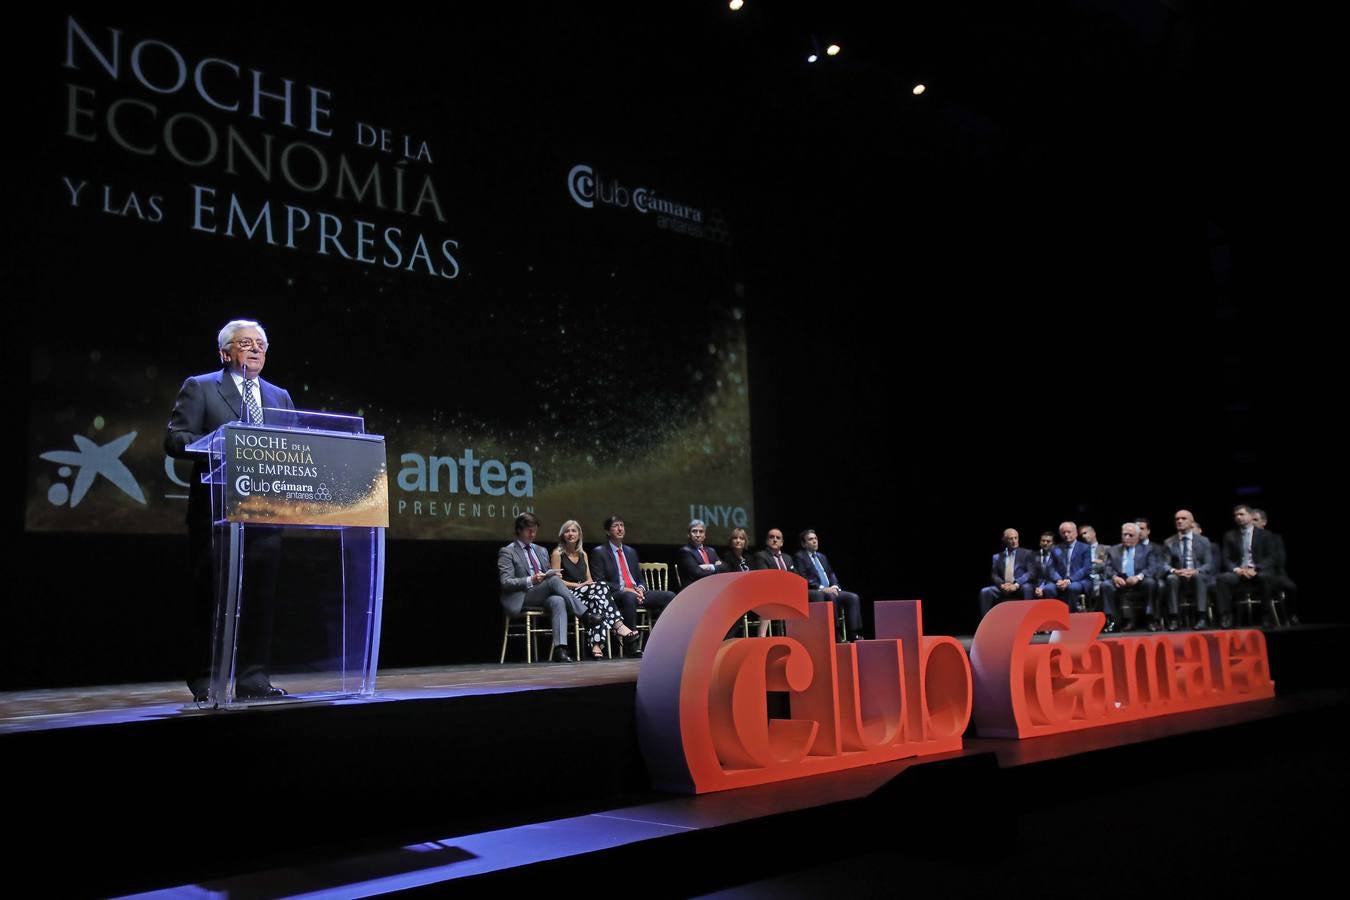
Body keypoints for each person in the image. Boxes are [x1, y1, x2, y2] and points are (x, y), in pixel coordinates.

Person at [165, 318, 295, 703]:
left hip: (266, 515)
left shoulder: (280, 395)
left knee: (260, 598)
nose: (255, 349)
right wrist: (222, 445)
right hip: (216, 513)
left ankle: (254, 680)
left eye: (260, 344)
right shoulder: (201, 387)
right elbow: (176, 439)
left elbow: (295, 447)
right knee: (214, 597)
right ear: (225, 353)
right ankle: (206, 680)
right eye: (245, 343)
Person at [498, 513, 588, 662]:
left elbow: (548, 573)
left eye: (535, 530)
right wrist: (530, 580)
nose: (533, 534)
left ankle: (561, 649)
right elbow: (506, 582)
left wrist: (548, 576)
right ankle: (584, 615)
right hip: (522, 596)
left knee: (558, 600)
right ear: (519, 530)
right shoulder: (508, 551)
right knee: (553, 581)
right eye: (529, 531)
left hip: (542, 594)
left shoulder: (541, 550)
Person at [551, 519, 641, 658]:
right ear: (562, 535)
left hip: (586, 593)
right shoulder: (557, 553)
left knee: (597, 603)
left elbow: (590, 579)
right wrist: (577, 585)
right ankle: (618, 626)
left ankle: (596, 645)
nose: (570, 534)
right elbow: (555, 580)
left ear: (579, 535)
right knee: (602, 588)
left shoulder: (583, 554)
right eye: (567, 531)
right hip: (569, 594)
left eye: (573, 531)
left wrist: (586, 585)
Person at [590, 515, 675, 650]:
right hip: (616, 594)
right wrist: (625, 589)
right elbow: (600, 582)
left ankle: (662, 640)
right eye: (615, 526)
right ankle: (632, 644)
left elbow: (639, 578)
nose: (620, 529)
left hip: (636, 592)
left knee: (669, 596)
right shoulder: (599, 552)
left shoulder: (630, 552)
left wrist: (641, 588)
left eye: (622, 525)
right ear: (607, 531)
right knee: (628, 597)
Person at [794, 529, 864, 641]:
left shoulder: (822, 557)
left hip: (831, 589)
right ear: (803, 543)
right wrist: (822, 588)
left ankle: (853, 633)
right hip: (817, 590)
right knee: (831, 597)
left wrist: (835, 585)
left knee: (853, 597)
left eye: (815, 539)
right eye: (811, 539)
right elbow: (803, 577)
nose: (814, 541)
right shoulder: (800, 557)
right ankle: (835, 632)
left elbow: (831, 574)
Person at [1163, 508, 1215, 629]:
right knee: (1171, 578)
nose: (1179, 521)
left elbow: (1209, 564)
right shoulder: (1169, 542)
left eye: (1183, 518)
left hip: (1196, 574)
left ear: (1192, 522)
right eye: (1177, 519)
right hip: (1179, 576)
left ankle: (1201, 618)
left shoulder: (1203, 541)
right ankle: (1174, 619)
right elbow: (1164, 564)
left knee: (1199, 576)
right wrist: (1175, 571)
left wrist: (1195, 571)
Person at [750, 527, 800, 637]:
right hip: (769, 592)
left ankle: (796, 634)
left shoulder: (788, 558)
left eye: (778, 538)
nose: (774, 539)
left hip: (788, 593)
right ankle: (762, 636)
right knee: (768, 598)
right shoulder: (761, 556)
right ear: (766, 541)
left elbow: (795, 576)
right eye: (771, 537)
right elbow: (765, 577)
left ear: (782, 542)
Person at [979, 528, 1036, 617]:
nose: (1014, 541)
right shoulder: (997, 556)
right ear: (1004, 540)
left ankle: (1028, 620)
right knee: (985, 591)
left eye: (1016, 538)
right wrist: (1002, 585)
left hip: (1019, 587)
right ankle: (985, 624)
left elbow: (1030, 573)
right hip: (1004, 587)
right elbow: (994, 575)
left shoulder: (1027, 553)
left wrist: (1016, 584)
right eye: (1011, 539)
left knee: (1027, 587)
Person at [677, 519, 726, 587]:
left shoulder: (711, 551)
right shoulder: (685, 551)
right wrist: (716, 568)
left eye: (701, 532)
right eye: (694, 531)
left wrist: (710, 566)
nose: (698, 535)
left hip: (711, 586)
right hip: (693, 589)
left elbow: (725, 568)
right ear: (689, 535)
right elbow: (697, 572)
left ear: (704, 535)